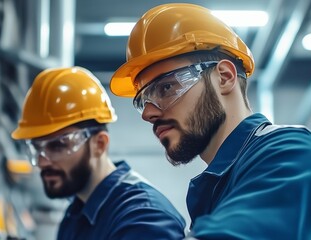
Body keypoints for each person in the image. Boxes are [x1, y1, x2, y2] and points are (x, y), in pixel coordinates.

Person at [110, 3, 311, 239]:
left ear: (224, 77)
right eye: (144, 100)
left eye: (166, 88)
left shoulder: (296, 156)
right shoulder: (218, 186)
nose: (148, 113)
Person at [12, 67, 186, 239]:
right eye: (37, 149)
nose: (43, 162)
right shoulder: (75, 215)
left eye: (57, 146)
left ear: (99, 144)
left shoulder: (143, 219)